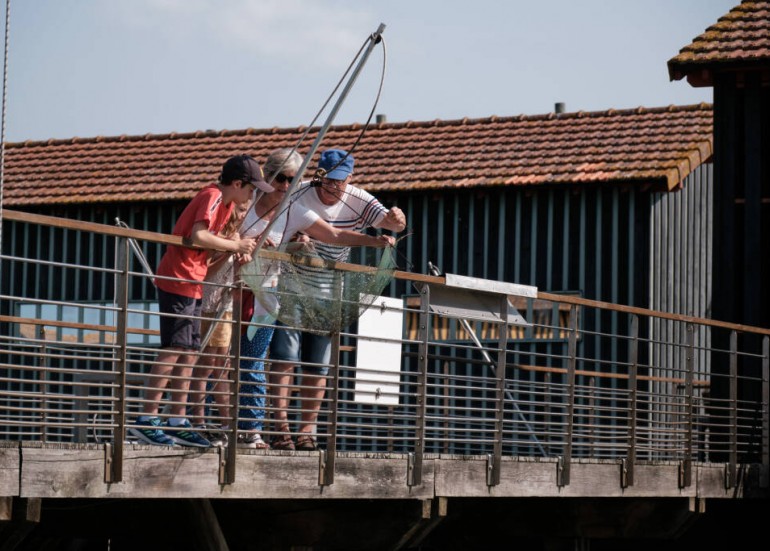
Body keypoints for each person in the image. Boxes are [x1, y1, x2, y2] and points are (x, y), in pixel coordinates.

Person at [236, 147, 395, 449]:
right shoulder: (268, 199)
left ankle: (294, 432)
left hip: (301, 294)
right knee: (272, 360)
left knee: (308, 365)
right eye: (280, 179)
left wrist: (378, 238)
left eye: (291, 180)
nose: (285, 186)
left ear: (349, 178)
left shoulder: (299, 205)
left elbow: (337, 234)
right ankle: (269, 429)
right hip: (271, 291)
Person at [128, 155, 262, 447]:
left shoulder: (226, 208)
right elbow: (199, 234)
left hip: (194, 281)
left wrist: (233, 249)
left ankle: (178, 419)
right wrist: (235, 244)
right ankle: (146, 419)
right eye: (251, 188)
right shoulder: (213, 195)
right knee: (174, 349)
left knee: (189, 351)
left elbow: (212, 246)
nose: (252, 195)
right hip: (179, 278)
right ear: (237, 184)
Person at [188, 201, 251, 447]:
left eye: (245, 210)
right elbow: (204, 268)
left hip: (224, 302)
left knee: (222, 363)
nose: (241, 214)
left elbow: (236, 268)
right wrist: (229, 250)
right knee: (206, 363)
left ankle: (227, 422)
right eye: (240, 208)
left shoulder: (238, 236)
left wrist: (241, 258)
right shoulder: (217, 235)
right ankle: (198, 419)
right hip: (207, 299)